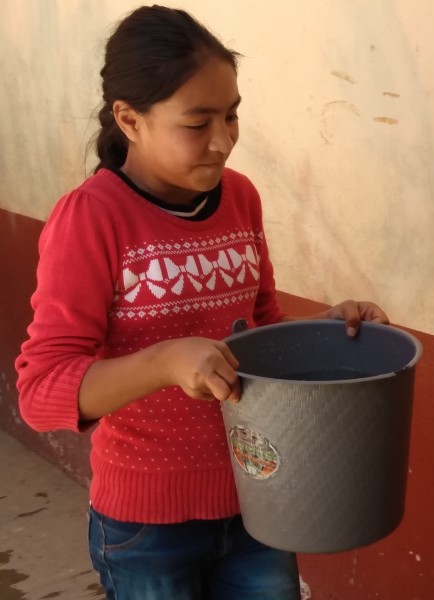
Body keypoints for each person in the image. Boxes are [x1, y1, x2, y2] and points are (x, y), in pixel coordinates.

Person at [14, 5, 388, 599]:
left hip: (261, 497)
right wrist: (163, 362)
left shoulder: (239, 198)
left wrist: (327, 329)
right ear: (129, 120)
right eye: (197, 123)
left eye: (232, 116)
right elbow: (41, 394)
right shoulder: (92, 219)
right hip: (146, 527)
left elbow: (260, 334)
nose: (224, 142)